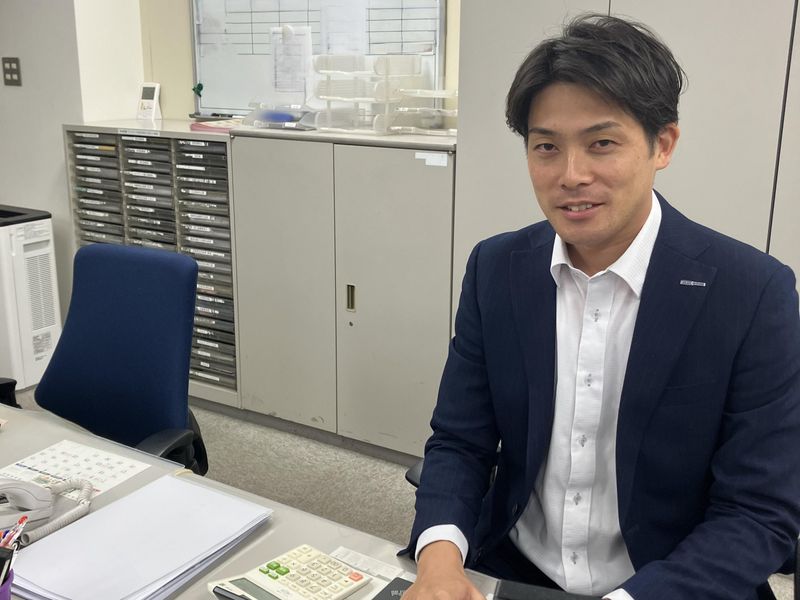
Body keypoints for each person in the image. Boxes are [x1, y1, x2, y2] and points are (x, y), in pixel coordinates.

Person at [404, 13, 800, 600]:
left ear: (662, 144)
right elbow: (460, 441)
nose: (571, 175)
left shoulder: (751, 292)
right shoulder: (497, 268)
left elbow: (757, 511)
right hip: (515, 572)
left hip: (673, 585)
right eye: (546, 147)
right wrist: (439, 561)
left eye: (602, 144)